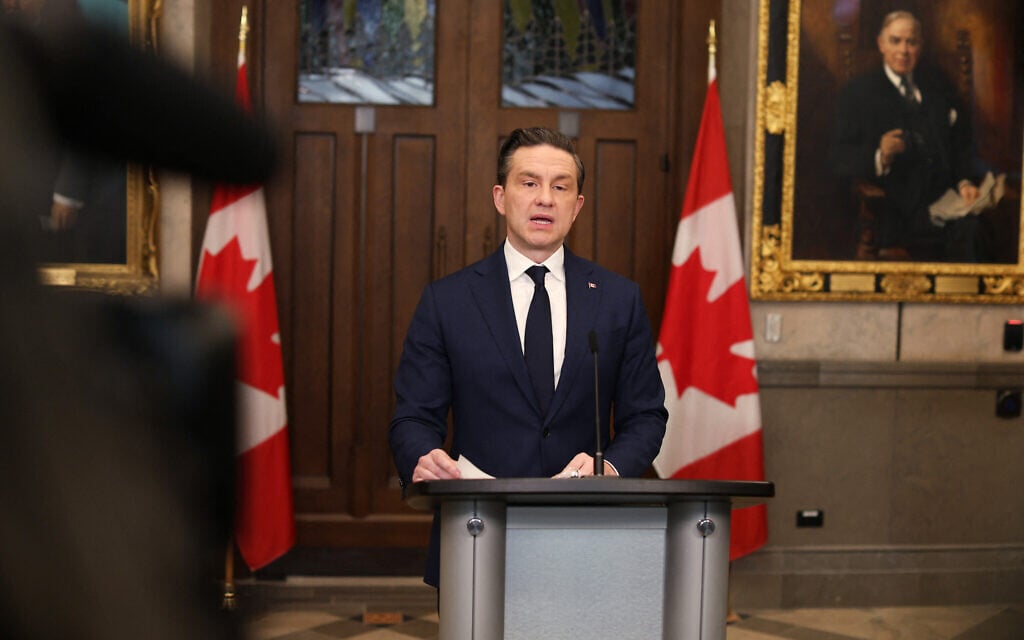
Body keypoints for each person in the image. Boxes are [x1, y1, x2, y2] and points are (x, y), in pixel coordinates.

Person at [388, 126, 668, 589]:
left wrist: (610, 468)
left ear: (577, 206)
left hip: (588, 537)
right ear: (501, 198)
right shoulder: (448, 301)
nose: (545, 199)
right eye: (529, 183)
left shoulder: (618, 300)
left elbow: (646, 416)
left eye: (561, 187)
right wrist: (423, 457)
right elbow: (413, 416)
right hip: (475, 529)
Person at [830, 10, 983, 262]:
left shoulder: (938, 87)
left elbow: (960, 145)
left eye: (911, 42)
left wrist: (965, 182)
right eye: (895, 41)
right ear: (881, 44)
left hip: (948, 206)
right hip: (895, 212)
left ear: (920, 46)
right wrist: (880, 156)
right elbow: (840, 158)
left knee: (979, 234)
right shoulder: (857, 93)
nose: (903, 50)